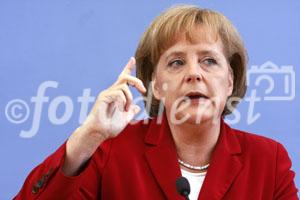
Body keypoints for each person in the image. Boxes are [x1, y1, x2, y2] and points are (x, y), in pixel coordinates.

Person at [14, 5, 298, 200]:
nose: (194, 74)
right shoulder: (111, 152)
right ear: (156, 86)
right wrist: (88, 136)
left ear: (229, 82)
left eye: (209, 61)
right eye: (176, 62)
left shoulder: (268, 160)